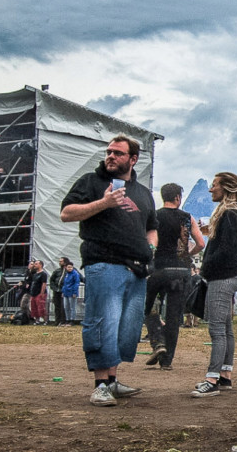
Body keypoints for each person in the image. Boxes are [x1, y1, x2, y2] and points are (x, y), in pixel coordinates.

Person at [59, 135, 158, 407]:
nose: (111, 157)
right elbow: (66, 213)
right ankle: (100, 385)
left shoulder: (142, 192)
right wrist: (104, 203)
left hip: (137, 269)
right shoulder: (91, 183)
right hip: (104, 265)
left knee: (126, 330)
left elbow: (151, 226)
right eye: (109, 152)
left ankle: (113, 382)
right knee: (103, 324)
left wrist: (151, 250)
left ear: (133, 159)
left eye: (118, 153)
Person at [192, 172, 237, 398]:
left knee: (217, 330)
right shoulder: (235, 213)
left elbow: (226, 249)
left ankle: (212, 379)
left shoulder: (229, 214)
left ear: (226, 189)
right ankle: (226, 375)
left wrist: (206, 268)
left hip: (221, 276)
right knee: (227, 329)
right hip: (229, 275)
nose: (211, 189)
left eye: (214, 185)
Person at [145, 182, 205, 369]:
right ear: (178, 198)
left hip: (159, 268)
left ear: (163, 197)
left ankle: (157, 341)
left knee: (146, 306)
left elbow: (147, 241)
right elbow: (201, 243)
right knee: (173, 315)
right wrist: (188, 254)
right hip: (181, 270)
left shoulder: (154, 216)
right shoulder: (187, 218)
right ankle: (167, 361)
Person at [27, 260, 49, 324]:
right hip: (33, 293)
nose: (35, 265)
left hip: (40, 293)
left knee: (41, 308)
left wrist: (42, 293)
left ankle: (45, 321)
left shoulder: (43, 274)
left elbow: (44, 283)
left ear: (40, 265)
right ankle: (37, 320)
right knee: (34, 308)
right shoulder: (34, 274)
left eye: (36, 264)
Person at [61, 261, 82, 325]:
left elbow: (76, 283)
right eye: (68, 267)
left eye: (71, 267)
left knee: (72, 307)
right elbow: (64, 284)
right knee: (66, 307)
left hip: (72, 292)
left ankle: (72, 320)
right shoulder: (66, 274)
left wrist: (75, 292)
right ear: (66, 267)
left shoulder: (75, 274)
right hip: (66, 292)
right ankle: (67, 319)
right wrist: (63, 291)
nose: (70, 268)